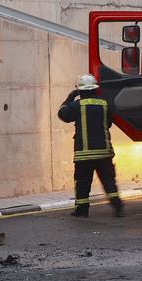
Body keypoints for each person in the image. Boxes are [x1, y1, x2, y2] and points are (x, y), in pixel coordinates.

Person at [57, 73, 123, 218]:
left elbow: (62, 114)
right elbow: (109, 123)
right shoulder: (105, 104)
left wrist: (70, 97)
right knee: (108, 180)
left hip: (84, 155)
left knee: (82, 183)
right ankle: (117, 205)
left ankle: (82, 210)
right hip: (104, 153)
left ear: (80, 91)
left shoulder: (77, 105)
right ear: (95, 89)